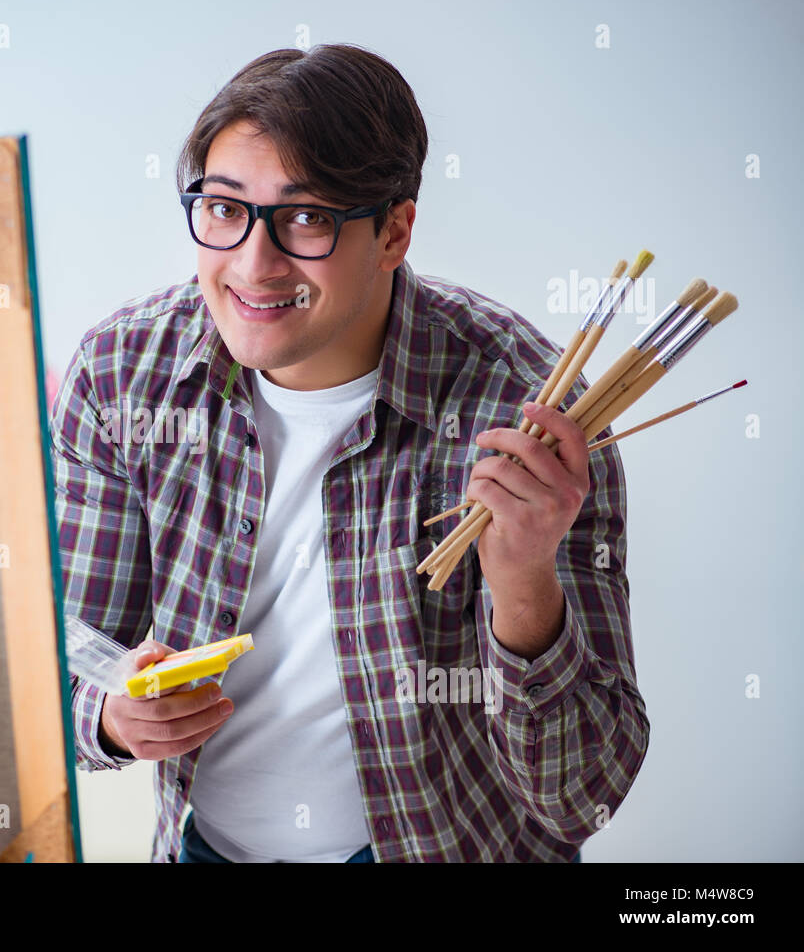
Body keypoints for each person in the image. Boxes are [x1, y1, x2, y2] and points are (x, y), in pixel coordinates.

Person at [50, 43, 648, 863]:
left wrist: (523, 585)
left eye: (306, 219)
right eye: (225, 209)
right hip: (204, 848)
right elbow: (72, 651)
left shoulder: (532, 411)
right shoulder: (124, 377)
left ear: (394, 231)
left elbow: (586, 794)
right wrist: (115, 714)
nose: (254, 264)